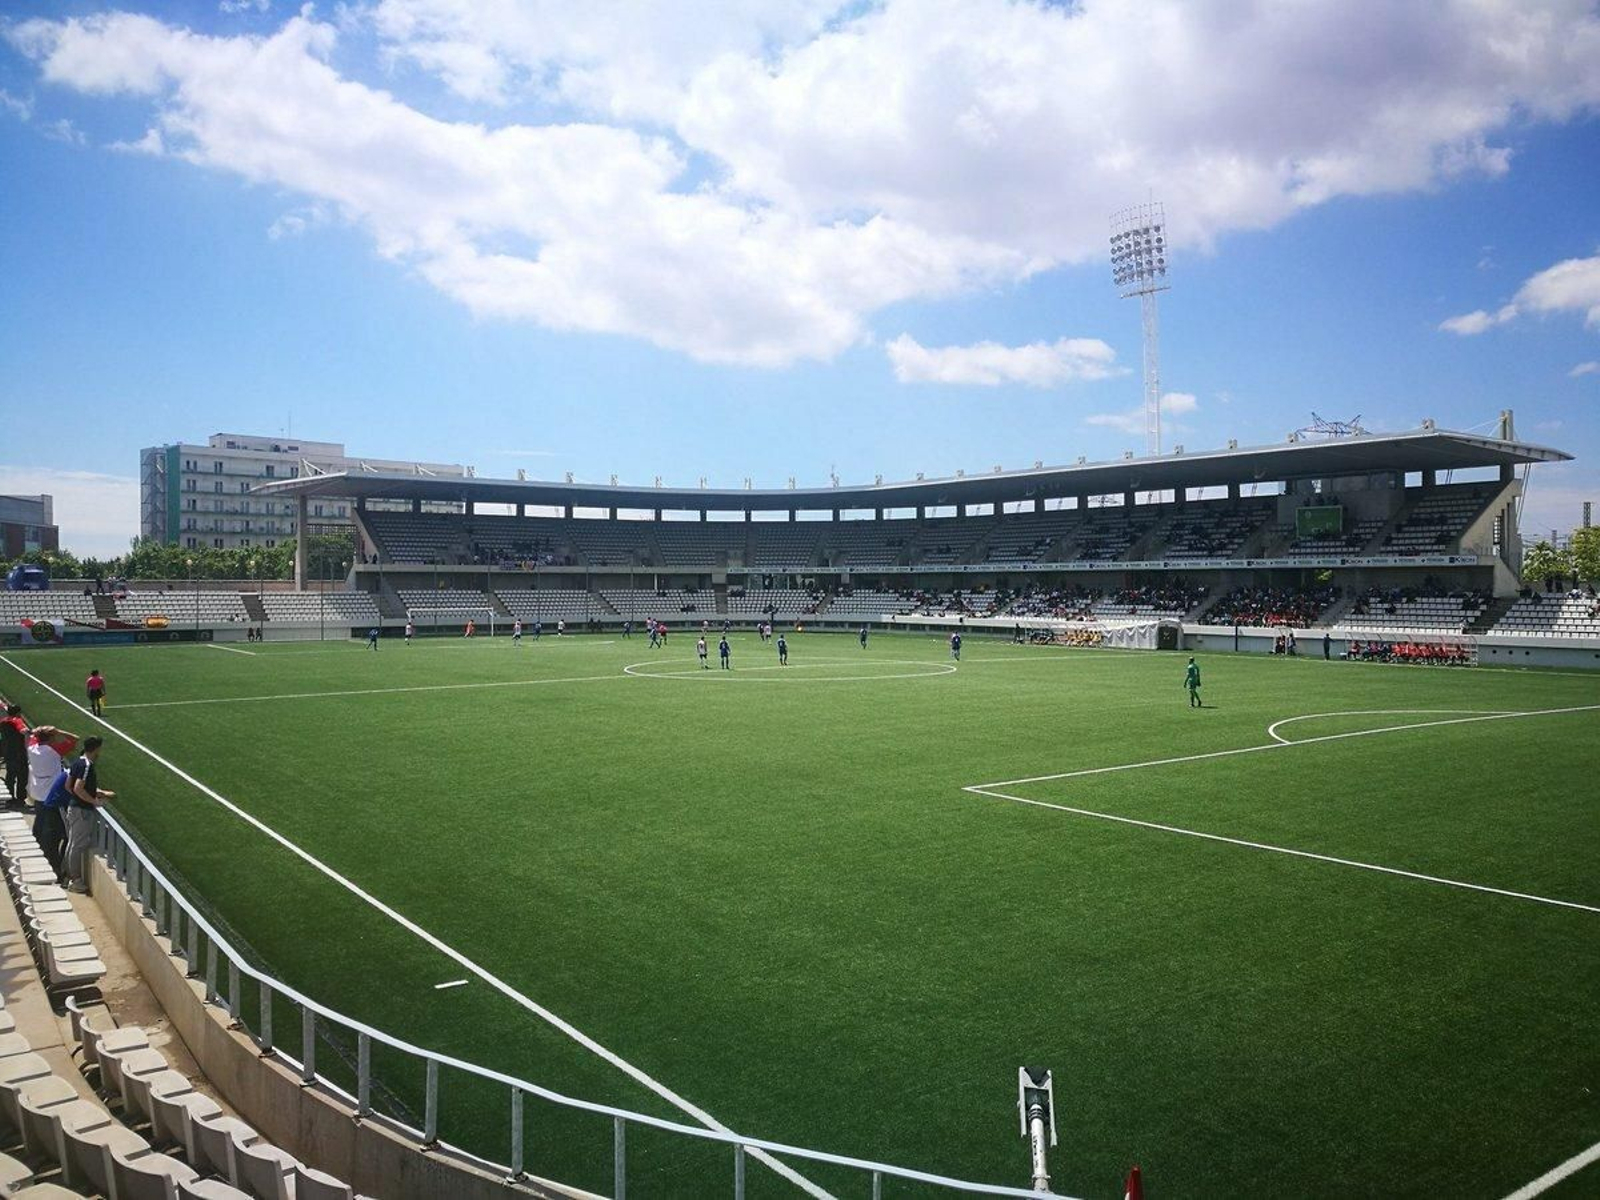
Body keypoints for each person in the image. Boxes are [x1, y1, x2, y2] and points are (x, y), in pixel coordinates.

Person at [63, 736, 114, 894]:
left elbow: (68, 786)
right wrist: (93, 801)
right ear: (96, 749)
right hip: (81, 811)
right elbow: (78, 788)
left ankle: (68, 876)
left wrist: (97, 793)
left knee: (72, 843)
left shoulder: (78, 762)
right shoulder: (86, 765)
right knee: (76, 845)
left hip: (74, 808)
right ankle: (75, 880)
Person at [32, 766, 71, 884]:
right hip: (56, 809)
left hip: (52, 808)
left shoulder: (66, 774)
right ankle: (58, 871)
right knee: (63, 838)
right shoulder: (70, 776)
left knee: (55, 840)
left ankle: (57, 869)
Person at [27, 724, 77, 811]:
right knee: (53, 820)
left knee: (41, 817)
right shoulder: (55, 750)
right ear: (50, 738)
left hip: (37, 791)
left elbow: (32, 736)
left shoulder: (31, 748)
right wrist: (58, 731)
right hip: (52, 793)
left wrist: (38, 731)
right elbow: (75, 738)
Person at [1, 704, 27, 809]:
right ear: (17, 713)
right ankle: (20, 799)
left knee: (10, 776)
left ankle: (10, 799)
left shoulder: (3, 722)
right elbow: (23, 731)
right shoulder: (17, 720)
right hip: (19, 753)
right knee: (22, 776)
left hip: (8, 752)